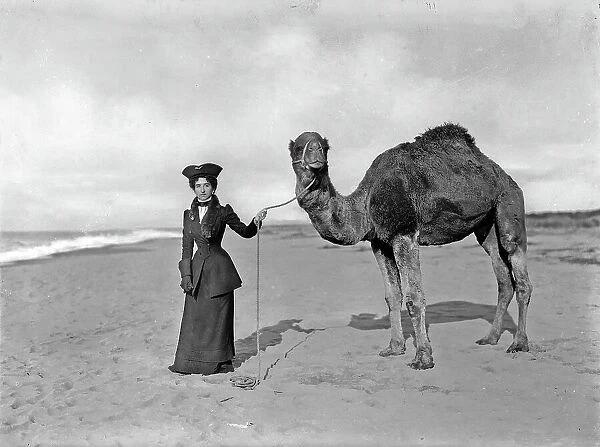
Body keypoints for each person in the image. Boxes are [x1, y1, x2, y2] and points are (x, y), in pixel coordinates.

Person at [168, 163, 267, 375]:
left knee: (218, 319)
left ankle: (219, 362)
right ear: (193, 189)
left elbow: (246, 232)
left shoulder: (223, 212)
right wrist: (186, 275)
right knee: (195, 318)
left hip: (219, 272)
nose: (202, 189)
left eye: (206, 185)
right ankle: (190, 363)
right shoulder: (188, 215)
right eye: (197, 186)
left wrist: (256, 221)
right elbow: (186, 247)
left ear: (213, 187)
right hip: (197, 271)